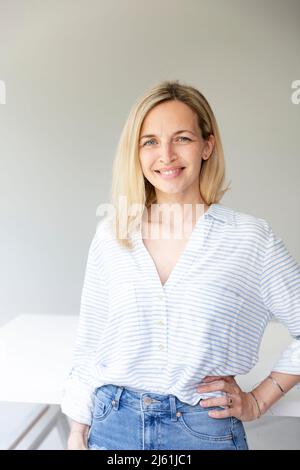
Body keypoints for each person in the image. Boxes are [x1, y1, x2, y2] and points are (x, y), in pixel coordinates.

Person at [61, 80, 300, 450]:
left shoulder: (249, 238)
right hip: (112, 427)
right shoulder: (112, 234)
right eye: (151, 141)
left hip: (204, 431)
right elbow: (91, 342)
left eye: (182, 138)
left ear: (207, 146)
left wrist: (258, 400)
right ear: (136, 153)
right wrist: (77, 431)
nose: (166, 155)